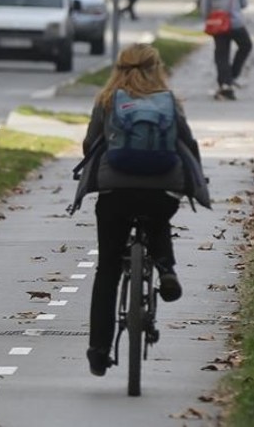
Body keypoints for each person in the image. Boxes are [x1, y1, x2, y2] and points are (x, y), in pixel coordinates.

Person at [71, 43, 209, 377]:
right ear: (156, 67)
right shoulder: (168, 102)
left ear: (119, 68)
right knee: (158, 215)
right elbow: (188, 143)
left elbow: (90, 144)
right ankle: (165, 269)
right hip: (161, 188)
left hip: (115, 191)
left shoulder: (107, 101)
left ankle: (99, 351)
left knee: (107, 270)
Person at [200, 0, 252, 100]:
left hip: (218, 24)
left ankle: (225, 83)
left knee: (221, 54)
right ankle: (233, 74)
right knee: (246, 45)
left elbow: (205, 7)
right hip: (236, 23)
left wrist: (208, 18)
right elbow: (244, 3)